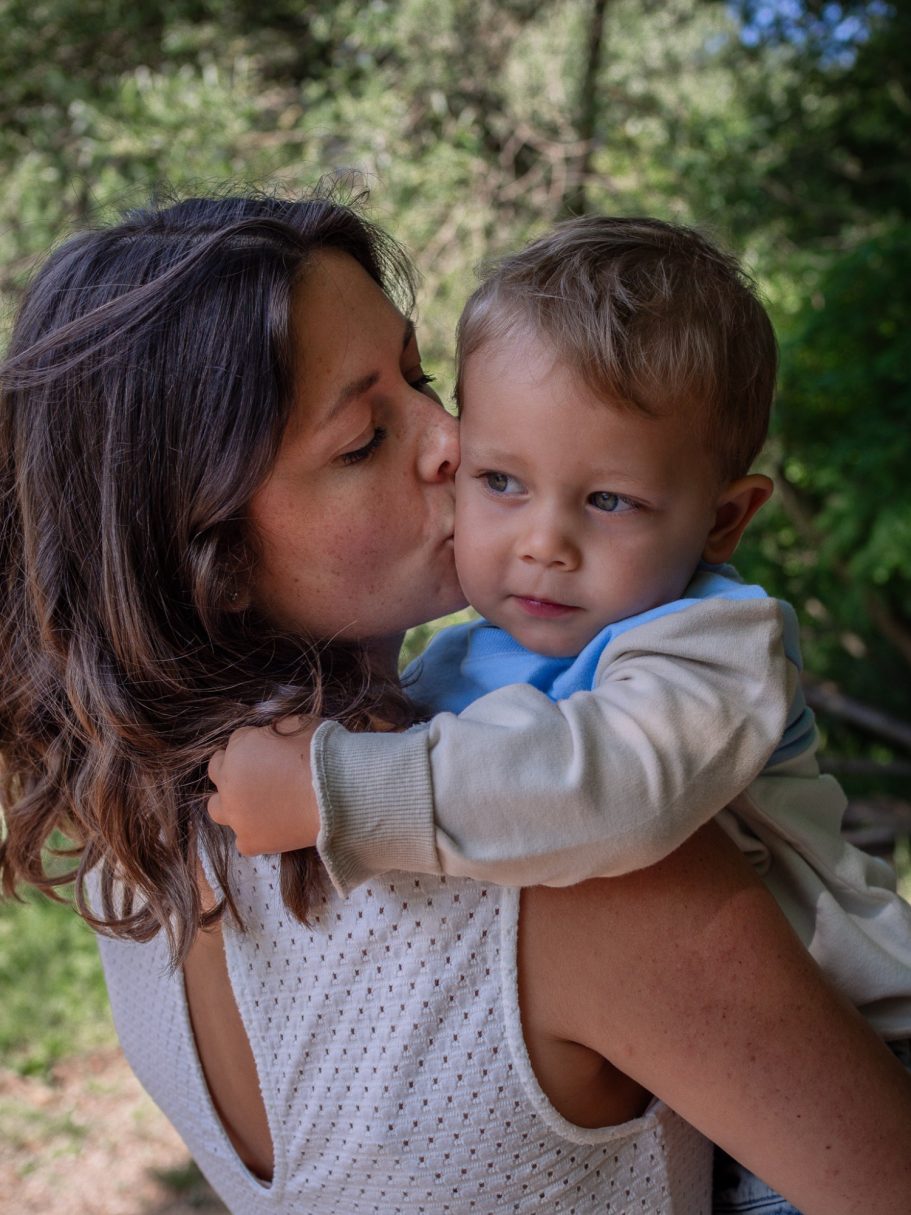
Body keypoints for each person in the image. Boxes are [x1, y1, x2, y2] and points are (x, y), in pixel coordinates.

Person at [2, 194, 910, 1215]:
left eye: (422, 376)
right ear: (203, 555)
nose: (452, 437)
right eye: (363, 438)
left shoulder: (135, 867)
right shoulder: (585, 866)